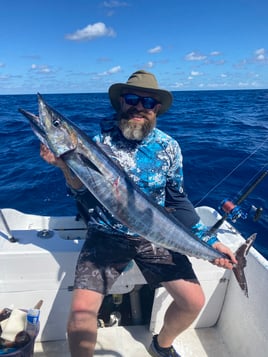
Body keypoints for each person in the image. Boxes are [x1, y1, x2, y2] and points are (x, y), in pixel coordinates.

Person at [40, 70, 237, 357]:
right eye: (132, 99)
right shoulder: (98, 143)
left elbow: (178, 202)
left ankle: (162, 345)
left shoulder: (169, 147)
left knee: (192, 301)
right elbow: (81, 193)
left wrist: (212, 242)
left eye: (148, 102)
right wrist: (64, 168)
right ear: (121, 102)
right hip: (106, 235)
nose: (139, 107)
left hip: (155, 234)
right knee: (81, 317)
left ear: (157, 109)